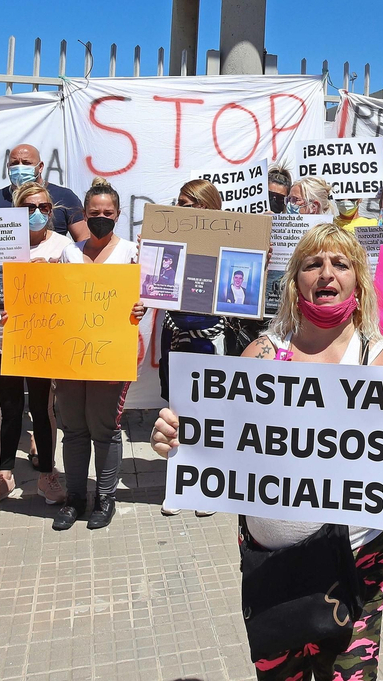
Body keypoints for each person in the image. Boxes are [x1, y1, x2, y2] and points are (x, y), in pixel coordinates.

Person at [150, 223, 383, 681]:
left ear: (358, 282)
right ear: (295, 281)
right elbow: (214, 445)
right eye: (313, 264)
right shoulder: (262, 353)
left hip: (353, 564)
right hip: (272, 565)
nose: (326, 273)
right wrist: (177, 439)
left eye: (340, 264)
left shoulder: (382, 359)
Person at [0, 144, 87, 473]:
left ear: (40, 166)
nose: (19, 167)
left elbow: (84, 258)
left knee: (43, 400)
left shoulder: (62, 227)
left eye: (25, 162)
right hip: (2, 325)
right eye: (13, 163)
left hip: (43, 330)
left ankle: (43, 460)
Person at [0, 181, 80, 512]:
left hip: (42, 343)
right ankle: (4, 475)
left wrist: (51, 275)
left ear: (52, 211)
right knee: (9, 409)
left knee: (42, 408)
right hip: (1, 339)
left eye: (43, 208)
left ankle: (48, 474)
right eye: (29, 208)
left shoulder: (64, 247)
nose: (36, 213)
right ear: (17, 212)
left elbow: (79, 289)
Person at [54, 177, 145, 531]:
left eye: (108, 212)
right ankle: (75, 498)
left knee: (105, 427)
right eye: (94, 212)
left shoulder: (132, 253)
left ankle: (105, 498)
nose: (101, 217)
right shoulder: (69, 252)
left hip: (112, 353)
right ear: (84, 214)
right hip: (70, 354)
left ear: (118, 215)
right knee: (73, 428)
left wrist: (141, 309)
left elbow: (147, 299)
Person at [157, 178, 232, 517]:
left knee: (211, 413)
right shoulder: (168, 238)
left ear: (207, 206)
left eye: (191, 204)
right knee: (178, 411)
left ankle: (208, 486)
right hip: (176, 333)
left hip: (212, 337)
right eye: (181, 203)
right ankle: (179, 483)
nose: (185, 209)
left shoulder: (230, 239)